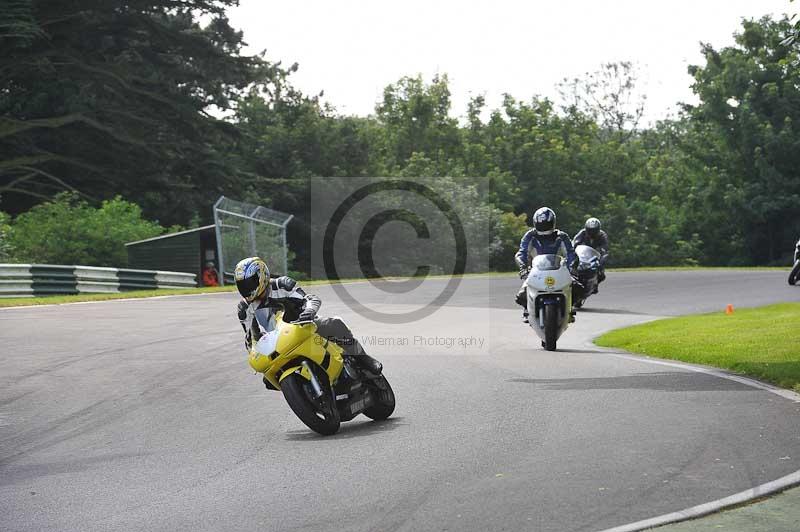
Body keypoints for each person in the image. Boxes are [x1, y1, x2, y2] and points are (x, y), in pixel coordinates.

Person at [233, 257, 382, 388]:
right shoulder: (244, 309)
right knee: (268, 381)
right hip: (277, 342)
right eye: (242, 285)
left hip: (304, 326)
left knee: (334, 324)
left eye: (250, 283)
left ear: (262, 276)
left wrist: (309, 312)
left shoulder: (282, 284)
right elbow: (250, 339)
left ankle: (364, 359)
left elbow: (310, 299)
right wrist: (255, 353)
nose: (247, 289)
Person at [513, 207, 583, 322]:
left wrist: (572, 269)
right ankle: (527, 310)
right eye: (542, 224)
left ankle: (570, 308)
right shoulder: (530, 236)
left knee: (578, 288)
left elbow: (571, 254)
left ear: (553, 223)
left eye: (546, 224)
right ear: (536, 223)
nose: (544, 227)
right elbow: (522, 253)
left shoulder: (561, 236)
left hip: (559, 270)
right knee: (521, 296)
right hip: (536, 271)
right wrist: (523, 267)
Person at [572, 217, 609, 291]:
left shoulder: (602, 235)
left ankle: (594, 284)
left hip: (594, 257)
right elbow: (574, 243)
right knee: (573, 267)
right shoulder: (582, 233)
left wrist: (602, 259)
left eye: (594, 231)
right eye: (590, 230)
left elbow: (604, 250)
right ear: (586, 228)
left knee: (602, 275)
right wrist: (573, 250)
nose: (592, 233)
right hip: (583, 255)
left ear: (598, 229)